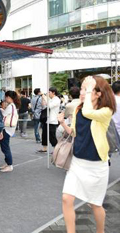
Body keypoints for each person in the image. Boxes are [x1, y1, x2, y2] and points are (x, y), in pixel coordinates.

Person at [57, 76, 116, 233]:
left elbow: (89, 112)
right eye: (83, 88)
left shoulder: (106, 111)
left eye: (86, 89)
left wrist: (89, 89)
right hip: (77, 162)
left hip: (97, 166)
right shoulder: (78, 109)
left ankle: (100, 231)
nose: (82, 92)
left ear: (98, 94)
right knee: (66, 198)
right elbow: (75, 132)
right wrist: (63, 124)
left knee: (95, 204)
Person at [0, 91, 20, 172]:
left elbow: (3, 115)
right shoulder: (12, 106)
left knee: (5, 147)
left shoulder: (10, 106)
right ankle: (7, 163)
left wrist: (0, 109)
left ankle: (10, 165)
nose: (5, 99)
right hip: (9, 129)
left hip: (7, 129)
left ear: (8, 97)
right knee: (5, 146)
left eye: (5, 97)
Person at [37, 87, 60, 153]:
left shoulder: (57, 99)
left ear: (53, 92)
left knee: (51, 136)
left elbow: (50, 106)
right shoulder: (50, 99)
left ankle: (56, 149)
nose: (48, 93)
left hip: (52, 121)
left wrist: (45, 98)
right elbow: (44, 105)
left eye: (49, 92)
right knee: (44, 135)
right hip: (47, 120)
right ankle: (44, 148)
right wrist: (43, 99)